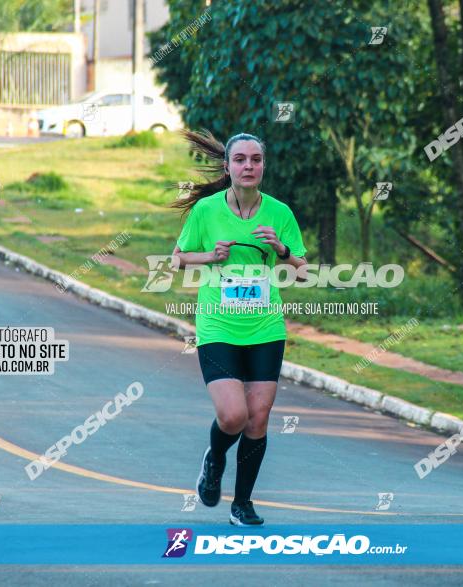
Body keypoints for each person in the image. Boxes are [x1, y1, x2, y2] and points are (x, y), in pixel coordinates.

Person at [170, 130, 307, 526]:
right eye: (241, 160)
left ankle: (242, 504)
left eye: (256, 160)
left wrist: (281, 250)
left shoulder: (279, 213)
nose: (249, 166)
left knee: (258, 418)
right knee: (233, 416)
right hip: (218, 325)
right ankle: (214, 461)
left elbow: (303, 272)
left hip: (265, 327)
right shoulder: (208, 211)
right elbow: (177, 260)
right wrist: (210, 256)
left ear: (263, 166)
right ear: (228, 166)